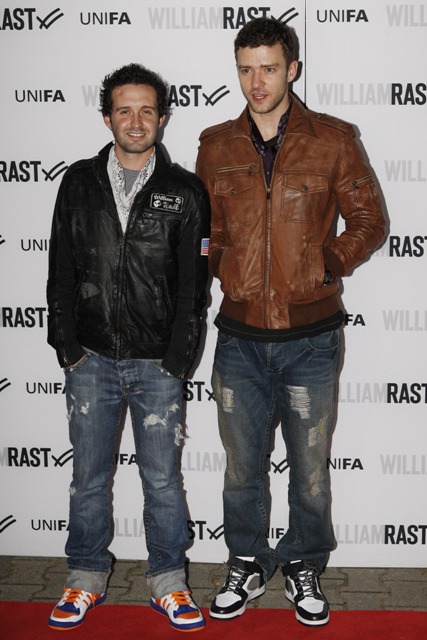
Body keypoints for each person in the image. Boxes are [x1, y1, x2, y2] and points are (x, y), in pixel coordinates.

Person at [196, 18, 386, 627]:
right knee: (241, 470)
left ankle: (304, 563)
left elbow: (370, 221)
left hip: (311, 340)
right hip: (239, 340)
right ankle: (246, 562)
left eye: (269, 68)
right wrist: (221, 268)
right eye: (246, 69)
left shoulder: (334, 140)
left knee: (309, 473)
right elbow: (205, 233)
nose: (257, 82)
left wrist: (326, 263)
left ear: (293, 69)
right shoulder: (216, 145)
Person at [46, 63, 210, 633]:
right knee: (89, 479)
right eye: (124, 110)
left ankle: (169, 580)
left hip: (157, 364)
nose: (135, 121)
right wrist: (67, 347)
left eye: (146, 110)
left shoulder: (186, 191)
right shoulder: (77, 183)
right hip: (89, 360)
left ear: (162, 118)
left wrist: (178, 358)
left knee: (162, 480)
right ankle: (85, 575)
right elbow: (60, 271)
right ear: (107, 117)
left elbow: (194, 287)